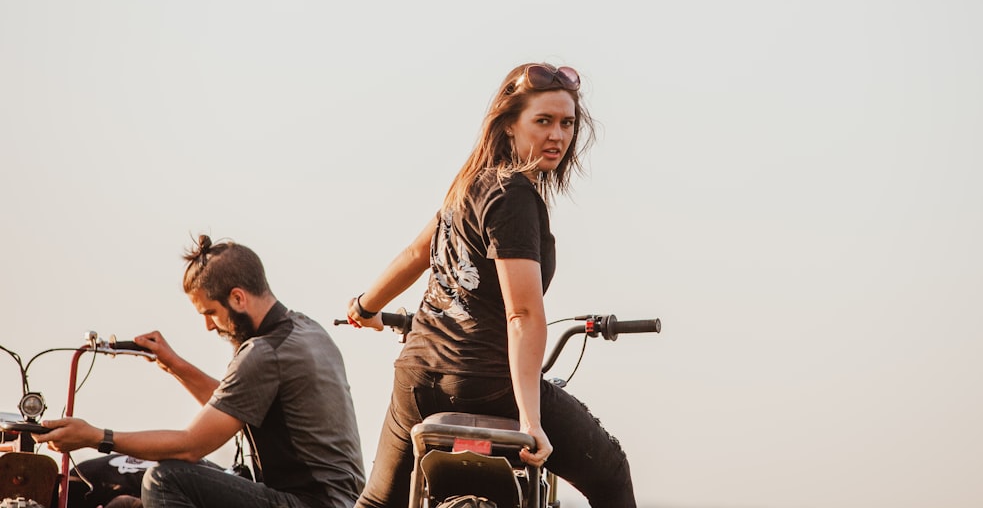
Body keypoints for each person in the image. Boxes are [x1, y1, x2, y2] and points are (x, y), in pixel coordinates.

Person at [345, 62, 637, 508]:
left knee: (376, 502)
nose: (557, 135)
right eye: (543, 121)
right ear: (509, 126)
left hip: (417, 381)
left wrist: (364, 307)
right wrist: (530, 419)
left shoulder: (467, 186)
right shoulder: (515, 194)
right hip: (486, 381)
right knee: (611, 470)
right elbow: (522, 314)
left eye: (567, 123)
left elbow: (414, 255)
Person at [36, 235, 366, 508]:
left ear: (238, 297)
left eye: (211, 312)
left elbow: (190, 445)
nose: (209, 326)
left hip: (311, 503)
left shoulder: (263, 353)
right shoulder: (306, 330)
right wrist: (175, 366)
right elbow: (235, 405)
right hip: (340, 500)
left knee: (165, 478)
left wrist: (95, 437)